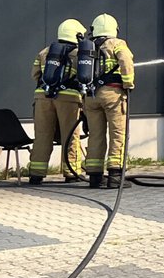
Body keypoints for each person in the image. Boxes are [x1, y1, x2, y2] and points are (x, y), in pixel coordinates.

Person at [29, 19, 87, 184]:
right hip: (68, 99)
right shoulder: (79, 54)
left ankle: (36, 173)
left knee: (42, 135)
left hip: (43, 97)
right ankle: (71, 172)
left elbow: (35, 75)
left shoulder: (44, 52)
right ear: (77, 35)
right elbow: (85, 77)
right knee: (70, 136)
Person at [82, 13, 134, 188]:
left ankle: (95, 177)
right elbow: (126, 62)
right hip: (112, 94)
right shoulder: (117, 44)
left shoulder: (88, 46)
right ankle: (115, 177)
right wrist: (128, 83)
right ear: (114, 29)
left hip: (91, 96)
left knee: (95, 135)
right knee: (117, 133)